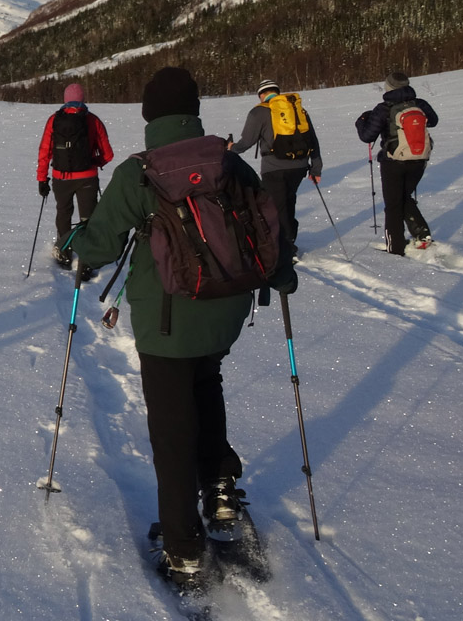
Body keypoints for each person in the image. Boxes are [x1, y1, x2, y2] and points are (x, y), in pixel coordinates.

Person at [66, 67, 297, 589]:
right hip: (227, 311)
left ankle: (184, 549)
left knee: (171, 431)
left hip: (167, 323)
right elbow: (268, 229)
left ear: (150, 116)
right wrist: (282, 277)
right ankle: (219, 493)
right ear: (194, 110)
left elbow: (98, 245)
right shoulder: (230, 162)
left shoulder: (139, 173)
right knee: (207, 387)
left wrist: (78, 246)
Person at [228, 79, 322, 261]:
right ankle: (288, 241)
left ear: (261, 95)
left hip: (274, 168)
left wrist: (231, 148)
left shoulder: (259, 112)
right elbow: (313, 140)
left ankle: (286, 249)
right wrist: (316, 168)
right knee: (288, 202)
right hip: (300, 166)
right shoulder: (297, 110)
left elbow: (246, 142)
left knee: (275, 208)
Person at [356, 71, 439, 255]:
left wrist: (361, 121)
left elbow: (367, 136)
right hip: (419, 159)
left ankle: (395, 249)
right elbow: (433, 121)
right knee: (404, 197)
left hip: (393, 161)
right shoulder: (420, 104)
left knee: (393, 204)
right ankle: (422, 233)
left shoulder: (384, 108)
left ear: (389, 87)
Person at [36, 83, 114, 275]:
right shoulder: (93, 120)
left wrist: (42, 179)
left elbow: (44, 152)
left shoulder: (54, 120)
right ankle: (86, 260)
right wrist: (94, 162)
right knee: (88, 218)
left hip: (60, 178)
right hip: (87, 177)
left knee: (63, 213)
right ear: (83, 99)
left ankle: (64, 252)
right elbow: (108, 154)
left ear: (65, 99)